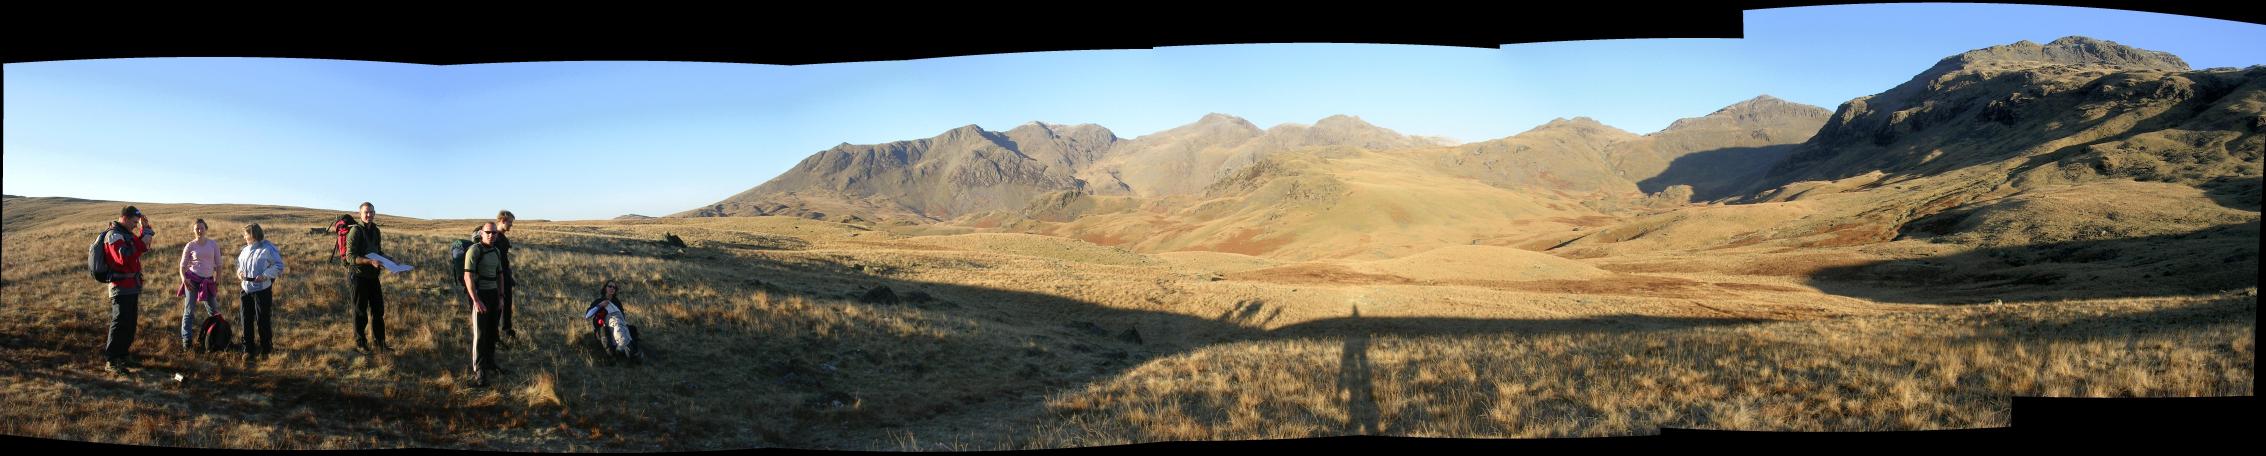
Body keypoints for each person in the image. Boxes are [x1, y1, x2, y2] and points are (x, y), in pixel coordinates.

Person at [99, 206, 157, 374]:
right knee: (120, 322)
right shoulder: (114, 235)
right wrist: (143, 237)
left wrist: (145, 231)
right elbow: (124, 257)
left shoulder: (126, 234)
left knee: (130, 322)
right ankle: (111, 360)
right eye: (134, 222)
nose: (134, 225)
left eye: (136, 223)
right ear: (124, 218)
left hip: (132, 286)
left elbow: (142, 248)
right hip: (120, 286)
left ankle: (123, 355)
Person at [463, 222, 508, 387]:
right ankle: (479, 370)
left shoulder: (496, 251)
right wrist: (475, 300)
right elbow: (468, 277)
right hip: (480, 295)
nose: (492, 235)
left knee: (492, 332)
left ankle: (490, 363)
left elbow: (500, 275)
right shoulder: (474, 251)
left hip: (494, 295)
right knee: (480, 334)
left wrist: (501, 297)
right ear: (481, 233)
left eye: (494, 233)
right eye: (488, 232)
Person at [235, 223, 285, 365]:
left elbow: (279, 266)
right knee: (245, 319)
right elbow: (239, 264)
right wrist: (239, 273)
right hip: (245, 289)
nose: (244, 236)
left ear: (253, 234)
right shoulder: (244, 250)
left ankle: (266, 349)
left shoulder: (268, 248)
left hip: (262, 290)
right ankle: (248, 349)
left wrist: (265, 275)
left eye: (245, 234)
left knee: (262, 319)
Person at [346, 202, 390, 354]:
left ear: (374, 213)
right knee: (360, 311)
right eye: (366, 212)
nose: (369, 215)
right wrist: (370, 261)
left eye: (371, 212)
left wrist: (389, 260)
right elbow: (350, 257)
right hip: (358, 276)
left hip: (373, 276)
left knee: (378, 310)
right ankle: (360, 343)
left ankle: (380, 343)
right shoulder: (355, 232)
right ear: (360, 214)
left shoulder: (376, 230)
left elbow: (378, 251)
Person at [177, 219, 223, 353]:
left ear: (206, 229)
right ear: (193, 230)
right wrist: (184, 279)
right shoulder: (190, 245)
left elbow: (219, 264)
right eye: (196, 228)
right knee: (189, 311)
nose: (199, 230)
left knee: (214, 311)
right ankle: (187, 341)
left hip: (208, 281)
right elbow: (182, 266)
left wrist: (217, 280)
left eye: (201, 228)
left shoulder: (213, 244)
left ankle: (216, 338)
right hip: (192, 280)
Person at [585, 280, 639, 359]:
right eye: (610, 286)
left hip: (619, 323)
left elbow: (622, 317)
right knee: (605, 331)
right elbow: (587, 315)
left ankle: (630, 350)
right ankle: (616, 352)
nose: (612, 288)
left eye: (614, 287)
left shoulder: (617, 302)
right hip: (604, 325)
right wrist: (600, 305)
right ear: (605, 288)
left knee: (631, 329)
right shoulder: (599, 301)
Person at [493, 210, 520, 342]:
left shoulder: (500, 237)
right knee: (500, 304)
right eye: (510, 222)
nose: (511, 225)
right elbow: (498, 263)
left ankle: (506, 330)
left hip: (504, 276)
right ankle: (498, 334)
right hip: (499, 278)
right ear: (503, 220)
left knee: (506, 304)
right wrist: (503, 278)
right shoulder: (497, 238)